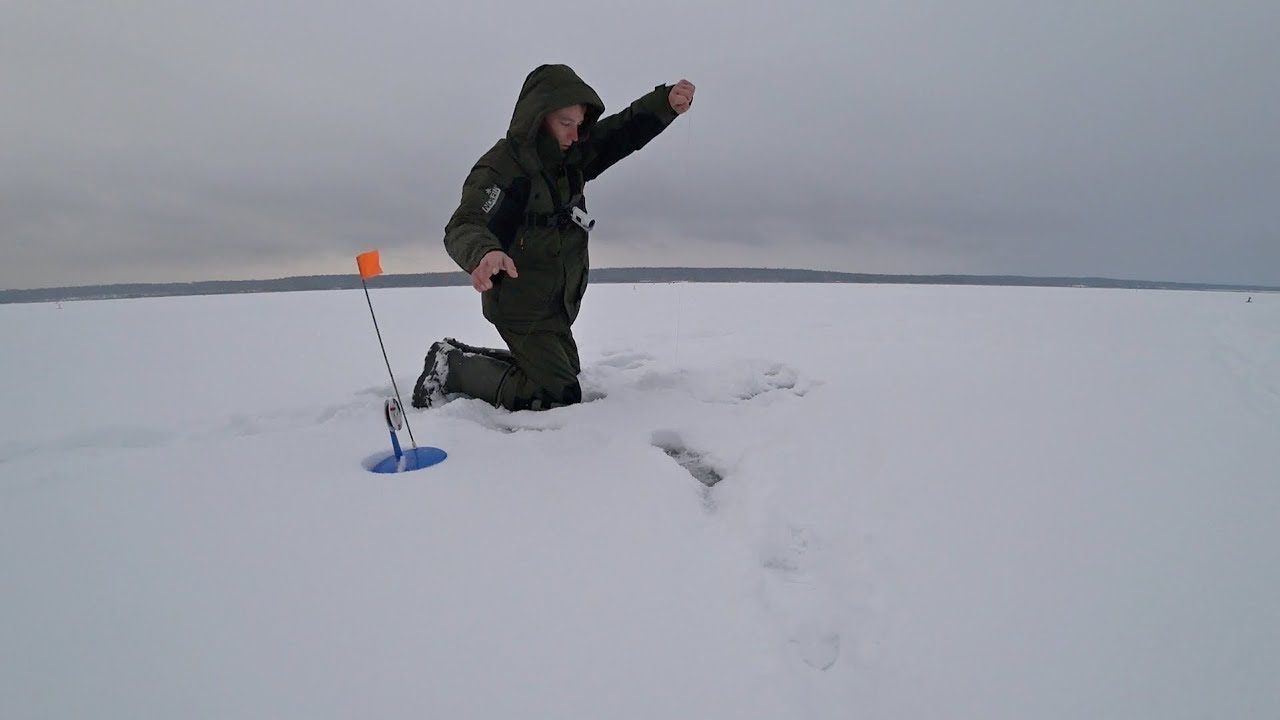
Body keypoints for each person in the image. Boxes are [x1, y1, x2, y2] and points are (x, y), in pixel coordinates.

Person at [412, 64, 695, 411]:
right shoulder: (502, 167)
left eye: (579, 125)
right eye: (566, 124)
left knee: (566, 372)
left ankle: (457, 355)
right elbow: (464, 224)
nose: (575, 135)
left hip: (554, 303)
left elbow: (621, 132)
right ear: (539, 116)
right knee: (556, 393)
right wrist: (484, 254)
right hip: (521, 303)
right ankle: (452, 369)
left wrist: (663, 103)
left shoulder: (570, 157)